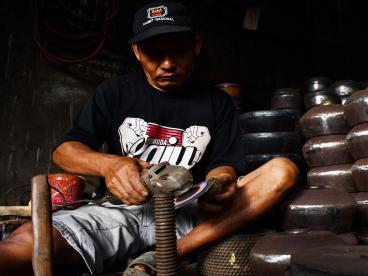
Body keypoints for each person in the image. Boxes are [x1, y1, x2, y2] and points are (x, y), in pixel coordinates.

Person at [0, 1, 298, 275]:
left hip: (191, 216)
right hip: (120, 213)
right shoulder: (115, 92)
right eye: (155, 53)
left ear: (195, 46)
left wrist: (219, 185)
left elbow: (225, 164)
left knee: (282, 171)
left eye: (178, 51)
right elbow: (65, 151)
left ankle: (167, 254)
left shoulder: (217, 102)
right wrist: (110, 165)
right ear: (137, 52)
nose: (167, 64)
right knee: (27, 242)